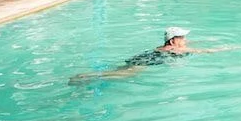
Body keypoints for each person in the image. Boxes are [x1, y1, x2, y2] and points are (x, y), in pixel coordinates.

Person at [68, 27, 230, 84]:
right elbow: (203, 51)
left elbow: (191, 44)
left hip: (144, 56)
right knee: (125, 75)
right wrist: (222, 49)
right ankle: (90, 76)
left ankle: (91, 75)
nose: (186, 40)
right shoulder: (177, 50)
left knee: (121, 70)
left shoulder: (167, 46)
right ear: (173, 41)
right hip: (150, 61)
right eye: (182, 37)